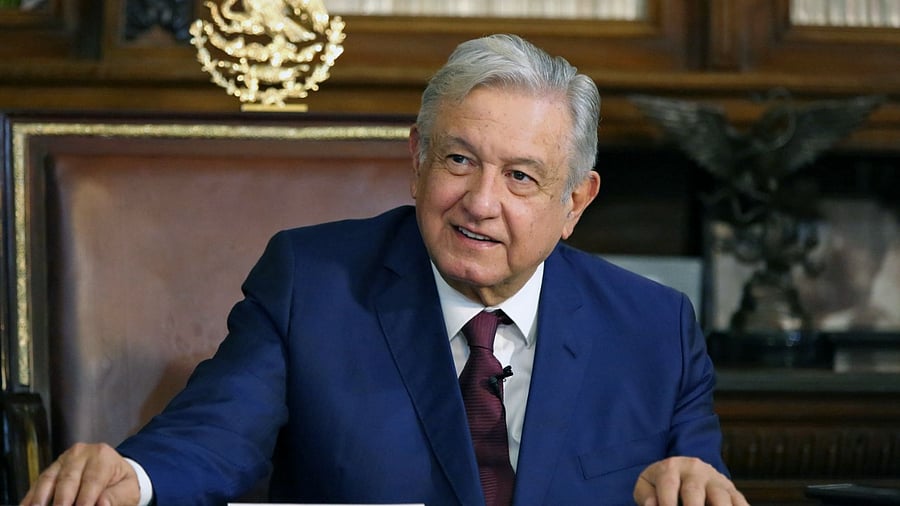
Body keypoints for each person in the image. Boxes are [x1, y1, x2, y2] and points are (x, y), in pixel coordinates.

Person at [23, 34, 747, 506]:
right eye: (458, 160)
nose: (480, 202)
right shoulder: (312, 283)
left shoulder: (655, 329)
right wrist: (135, 481)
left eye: (522, 177)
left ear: (574, 202)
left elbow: (694, 483)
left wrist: (693, 486)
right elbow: (216, 436)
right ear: (417, 160)